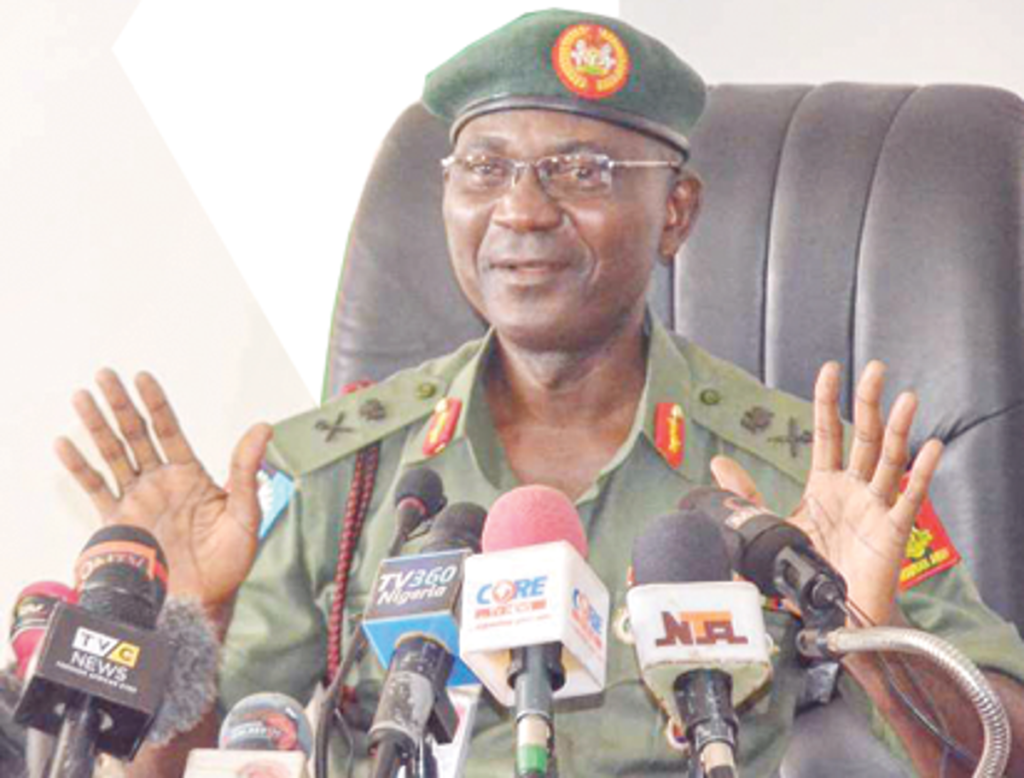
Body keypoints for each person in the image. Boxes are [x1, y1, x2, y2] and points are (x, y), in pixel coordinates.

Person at [55, 9, 1024, 777]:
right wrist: (194, 622)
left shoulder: (794, 477)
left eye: (579, 171)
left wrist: (870, 634)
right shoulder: (337, 473)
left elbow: (1004, 745)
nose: (520, 208)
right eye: (485, 168)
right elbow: (216, 755)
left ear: (675, 213)